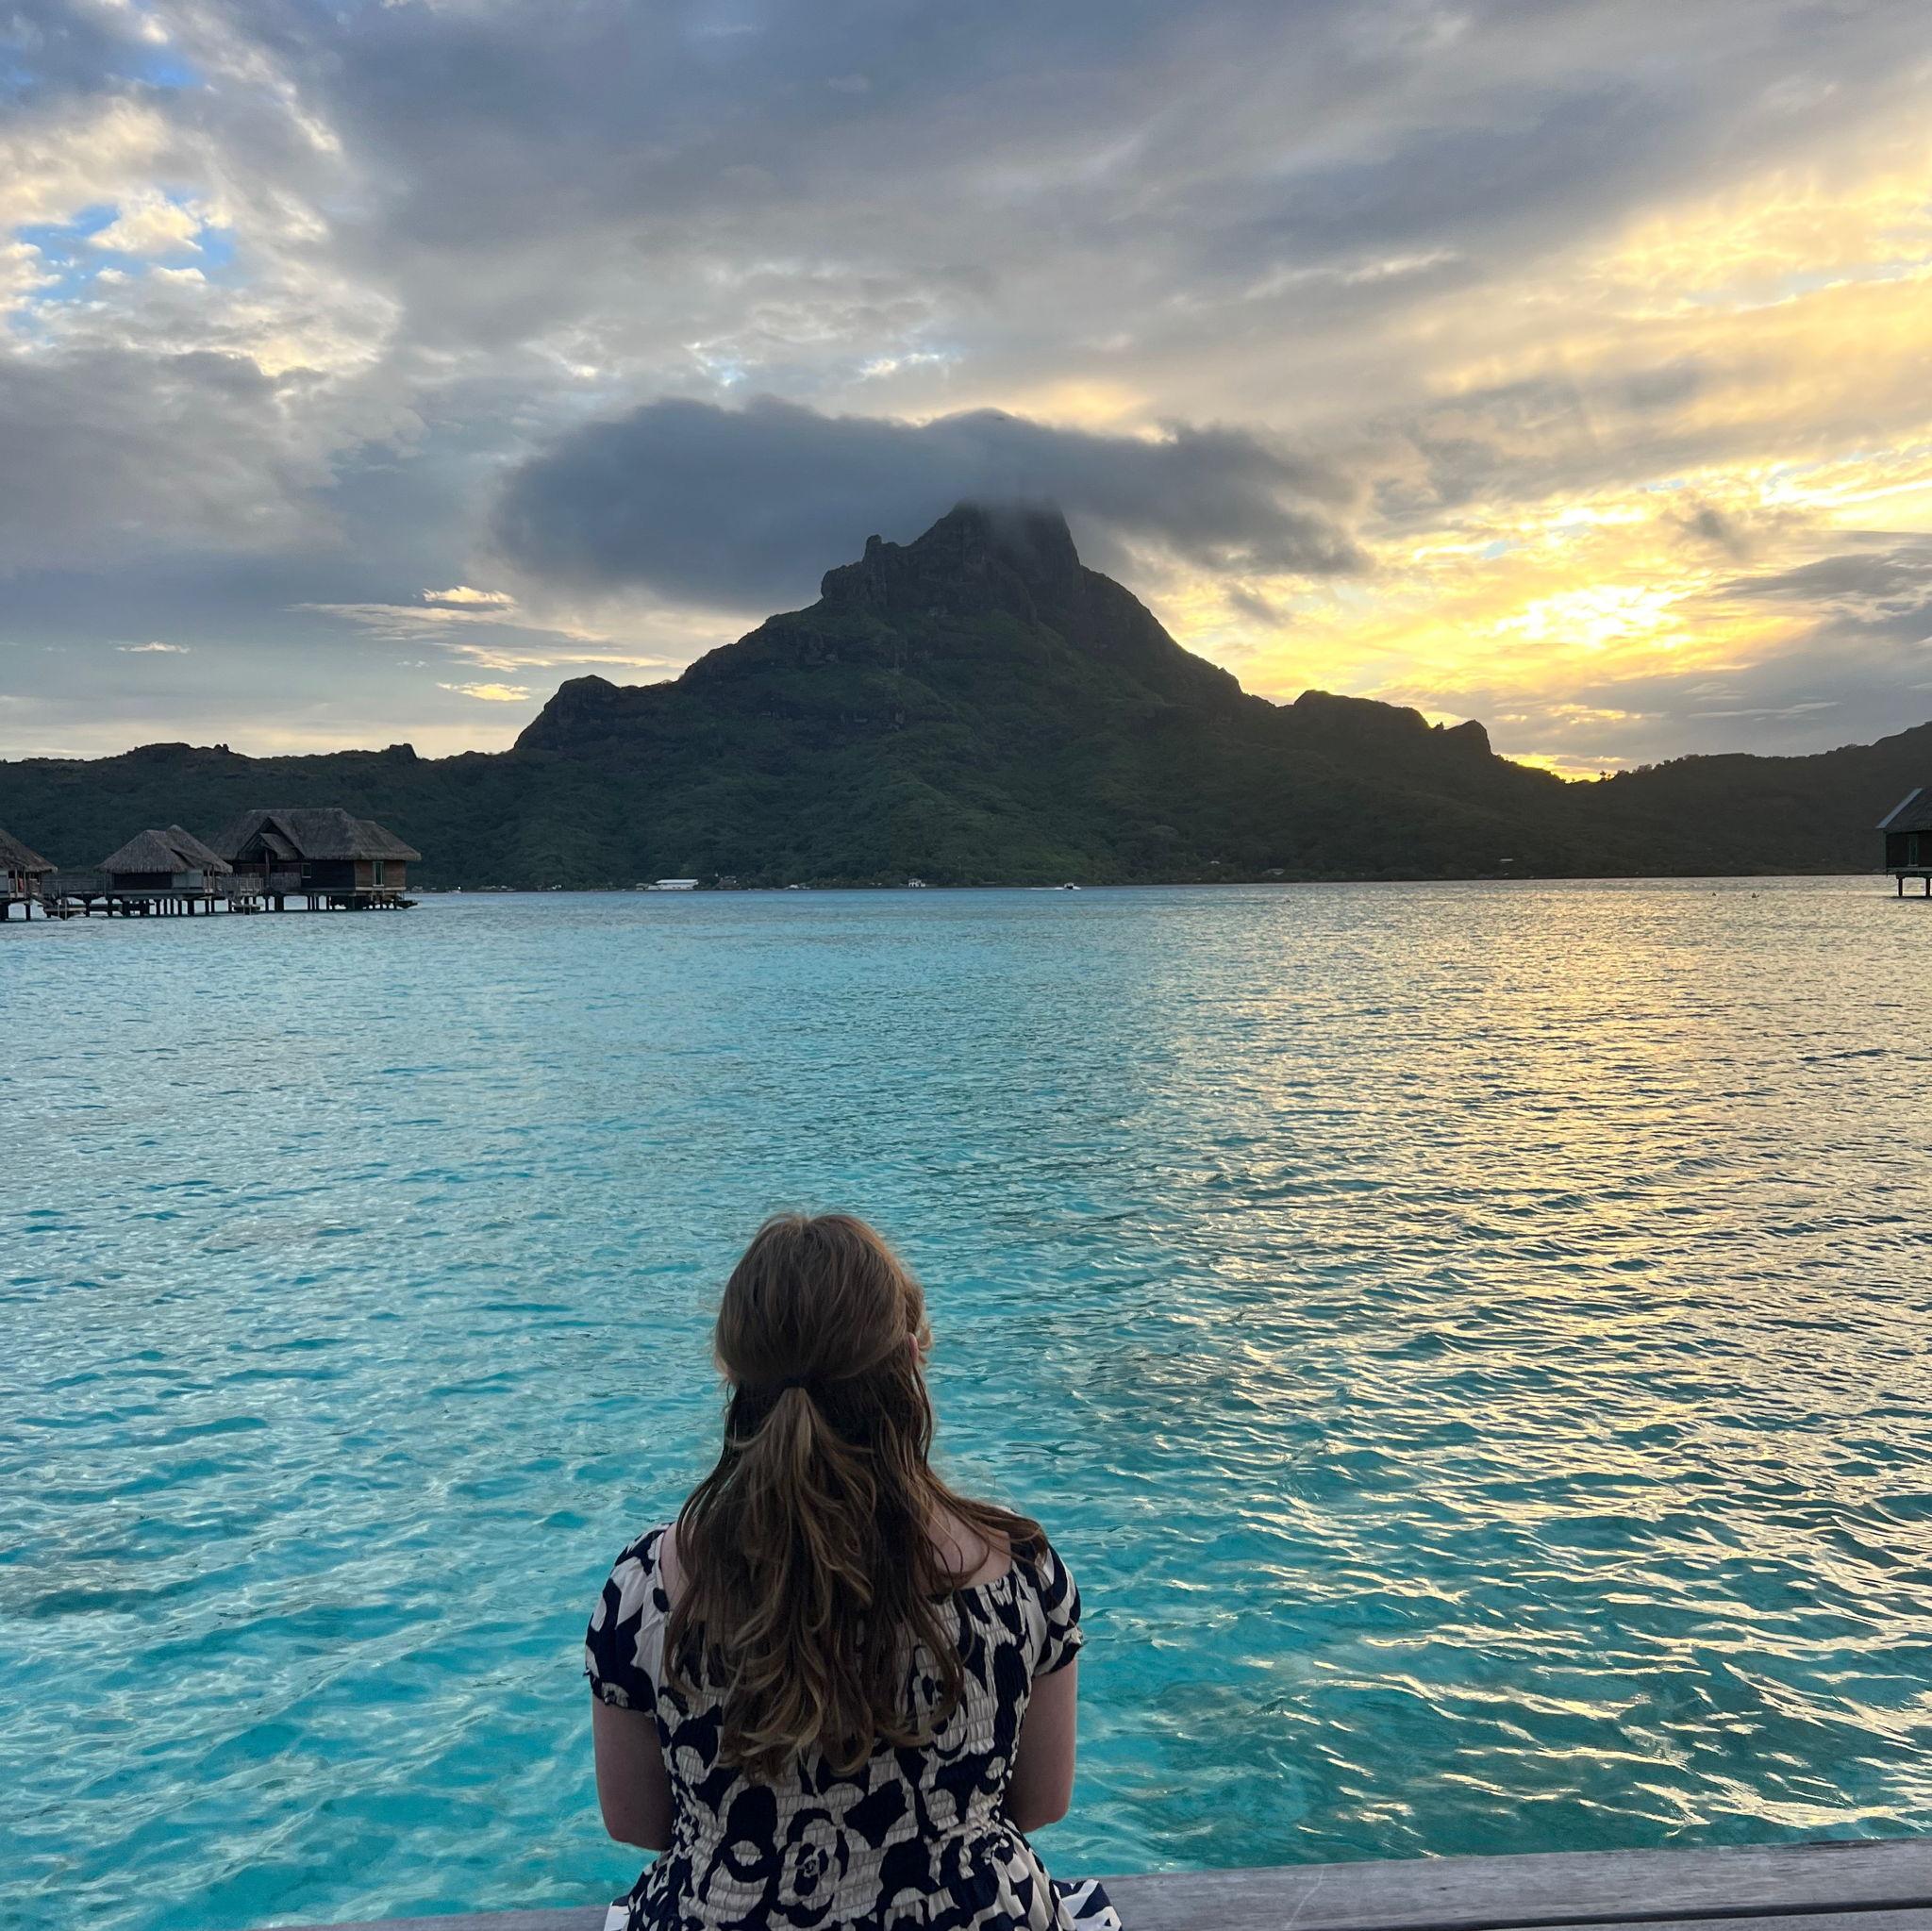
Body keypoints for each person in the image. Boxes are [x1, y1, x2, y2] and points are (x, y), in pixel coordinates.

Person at [585, 1212, 1120, 1931]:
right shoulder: (1020, 1571)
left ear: (734, 1371)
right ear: (908, 1358)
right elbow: (1041, 1802)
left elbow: (636, 1821)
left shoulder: (645, 1589)